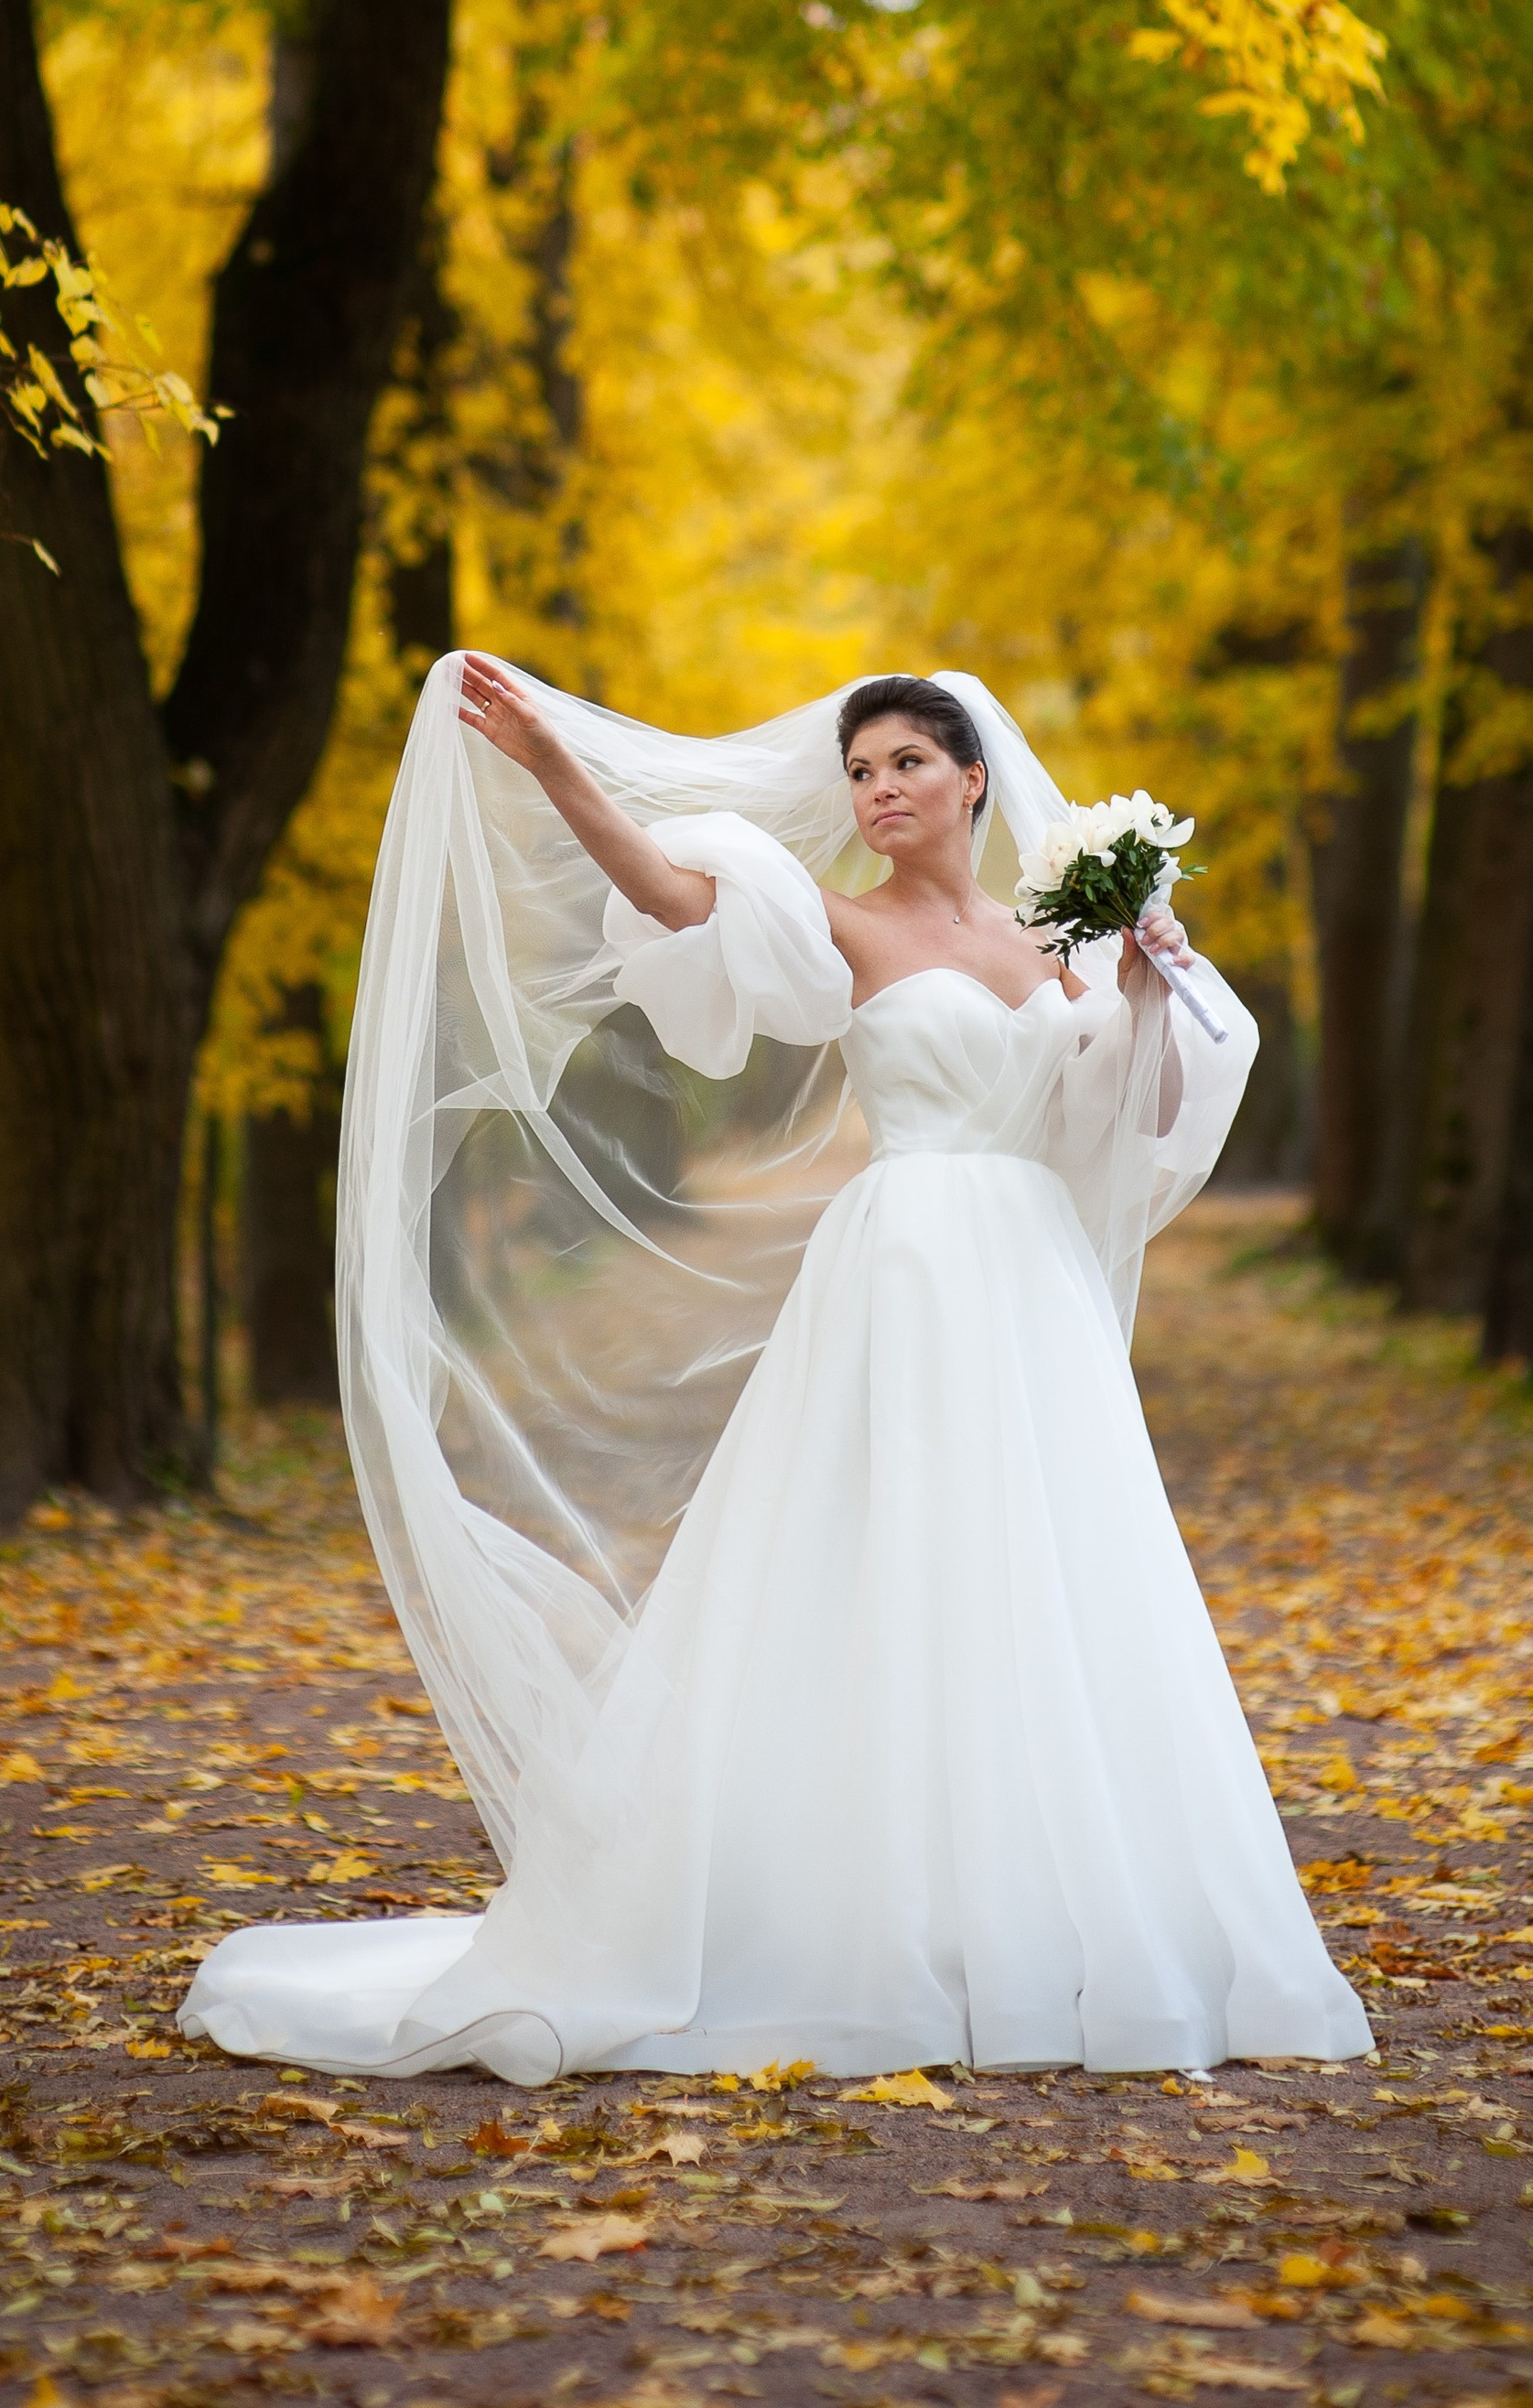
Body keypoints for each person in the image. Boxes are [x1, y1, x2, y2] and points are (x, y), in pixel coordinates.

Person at [179, 654, 1370, 2084]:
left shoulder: (1056, 940)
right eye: (861, 771)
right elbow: (680, 900)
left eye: (906, 766)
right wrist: (559, 765)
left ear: (973, 778)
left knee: (1045, 1570)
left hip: (1032, 1280)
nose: (878, 791)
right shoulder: (842, 926)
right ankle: (863, 1921)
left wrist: (1148, 982)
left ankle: (1051, 1915)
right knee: (877, 1564)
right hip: (909, 1266)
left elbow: (1142, 1109)